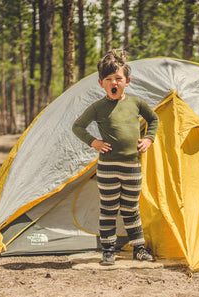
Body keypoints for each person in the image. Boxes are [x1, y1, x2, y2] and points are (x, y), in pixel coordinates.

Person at [72, 50, 159, 265]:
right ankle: (108, 250)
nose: (114, 83)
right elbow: (78, 126)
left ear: (127, 81)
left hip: (132, 167)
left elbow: (153, 119)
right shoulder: (98, 108)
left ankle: (138, 248)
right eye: (109, 79)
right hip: (108, 168)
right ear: (101, 83)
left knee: (131, 208)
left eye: (118, 79)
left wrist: (148, 139)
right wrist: (94, 142)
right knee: (109, 209)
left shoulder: (136, 103)